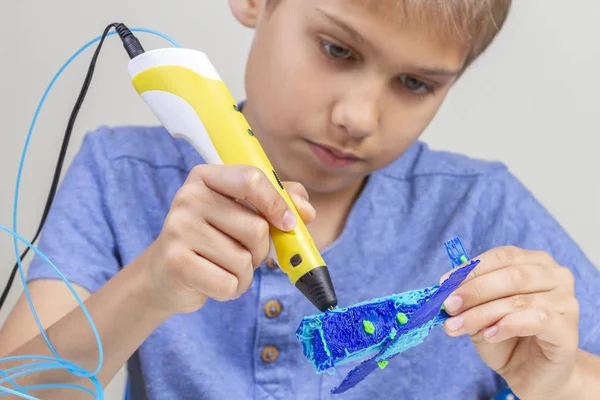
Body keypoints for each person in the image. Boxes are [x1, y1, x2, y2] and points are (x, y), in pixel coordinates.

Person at [1, 0, 599, 399]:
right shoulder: (120, 174)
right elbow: (18, 385)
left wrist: (563, 378)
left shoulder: (482, 207)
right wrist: (151, 288)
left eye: (415, 84)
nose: (357, 118)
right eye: (338, 50)